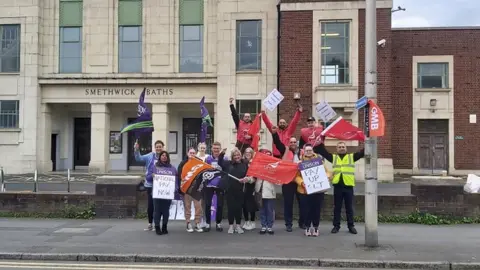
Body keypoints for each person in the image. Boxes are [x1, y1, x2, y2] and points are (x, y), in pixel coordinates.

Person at [314, 140, 364, 234]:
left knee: (349, 208)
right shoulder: (334, 157)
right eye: (340, 147)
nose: (341, 148)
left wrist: (368, 141)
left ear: (346, 148)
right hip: (338, 186)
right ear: (337, 149)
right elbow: (322, 151)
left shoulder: (351, 157)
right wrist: (319, 141)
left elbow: (362, 153)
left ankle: (351, 226)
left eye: (343, 147)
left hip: (348, 186)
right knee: (337, 207)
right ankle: (336, 226)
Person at [271, 126, 304, 232]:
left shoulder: (302, 152)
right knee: (288, 204)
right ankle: (288, 224)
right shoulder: (284, 150)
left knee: (302, 203)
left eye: (294, 142)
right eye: (291, 142)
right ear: (288, 143)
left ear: (297, 143)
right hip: (288, 182)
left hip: (300, 182)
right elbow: (277, 143)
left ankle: (302, 223)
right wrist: (275, 134)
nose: (293, 144)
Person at [295, 144, 331, 237]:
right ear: (304, 151)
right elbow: (296, 176)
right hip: (305, 191)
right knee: (306, 210)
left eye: (310, 150)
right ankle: (307, 227)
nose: (308, 152)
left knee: (316, 210)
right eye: (307, 150)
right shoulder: (301, 163)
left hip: (317, 190)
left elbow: (327, 172)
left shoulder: (319, 161)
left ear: (313, 151)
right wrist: (302, 182)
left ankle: (315, 227)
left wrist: (326, 176)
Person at [218, 147, 252, 234]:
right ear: (232, 157)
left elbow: (249, 174)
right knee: (231, 208)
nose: (237, 157)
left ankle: (238, 226)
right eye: (235, 155)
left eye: (238, 155)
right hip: (230, 190)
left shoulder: (245, 164)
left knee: (239, 208)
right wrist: (222, 154)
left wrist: (246, 178)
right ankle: (230, 226)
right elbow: (220, 162)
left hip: (240, 190)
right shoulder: (228, 164)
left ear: (240, 156)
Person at [134, 140, 165, 231]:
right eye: (157, 147)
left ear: (163, 147)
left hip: (161, 185)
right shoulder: (150, 156)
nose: (158, 148)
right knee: (151, 205)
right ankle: (150, 223)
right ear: (154, 147)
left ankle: (157, 223)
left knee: (159, 206)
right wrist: (136, 150)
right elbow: (139, 159)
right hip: (150, 185)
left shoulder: (164, 156)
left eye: (160, 146)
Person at [146, 151, 177, 235]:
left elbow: (176, 179)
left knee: (166, 211)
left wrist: (175, 189)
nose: (164, 157)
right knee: (157, 211)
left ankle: (164, 227)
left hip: (167, 194)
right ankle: (157, 227)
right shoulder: (155, 167)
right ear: (160, 157)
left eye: (166, 155)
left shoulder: (172, 168)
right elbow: (148, 178)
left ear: (168, 157)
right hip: (157, 194)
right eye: (162, 155)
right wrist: (151, 175)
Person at [177, 148, 204, 233]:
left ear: (196, 154)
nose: (192, 154)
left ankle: (197, 223)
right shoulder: (183, 163)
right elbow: (179, 176)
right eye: (190, 153)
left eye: (193, 153)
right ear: (187, 153)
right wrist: (180, 188)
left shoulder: (199, 163)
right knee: (187, 207)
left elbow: (202, 174)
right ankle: (188, 223)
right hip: (187, 188)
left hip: (197, 188)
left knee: (198, 207)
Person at [204, 142, 228, 232]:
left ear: (220, 149)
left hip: (220, 184)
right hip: (209, 184)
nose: (216, 150)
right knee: (207, 204)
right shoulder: (208, 158)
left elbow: (226, 170)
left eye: (218, 148)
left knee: (220, 204)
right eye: (214, 148)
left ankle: (218, 223)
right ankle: (207, 223)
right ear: (212, 149)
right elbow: (204, 170)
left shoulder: (225, 158)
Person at [255, 149, 277, 235]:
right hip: (260, 191)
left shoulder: (274, 167)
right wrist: (248, 179)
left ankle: (270, 226)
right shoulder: (257, 166)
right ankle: (263, 226)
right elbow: (253, 177)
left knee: (269, 210)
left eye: (269, 155)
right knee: (262, 210)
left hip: (269, 192)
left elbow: (278, 179)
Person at [242, 147, 257, 231]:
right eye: (246, 152)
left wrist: (250, 179)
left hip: (251, 185)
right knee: (244, 204)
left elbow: (255, 175)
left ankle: (252, 221)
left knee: (251, 204)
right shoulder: (242, 162)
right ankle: (246, 221)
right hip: (243, 185)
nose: (247, 153)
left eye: (249, 152)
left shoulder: (254, 163)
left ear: (252, 154)